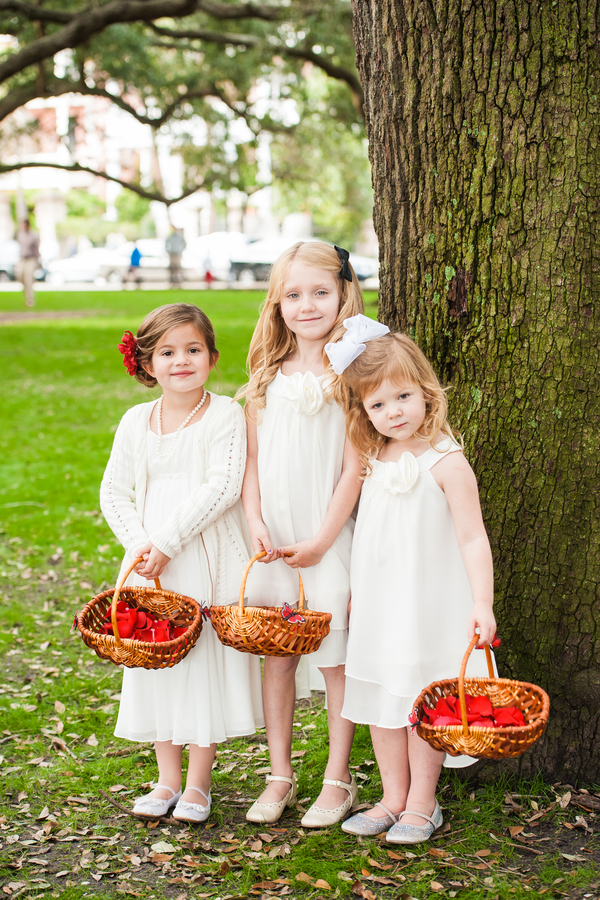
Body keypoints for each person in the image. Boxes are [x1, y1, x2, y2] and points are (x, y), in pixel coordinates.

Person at [326, 319, 496, 844]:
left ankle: (424, 800)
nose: (392, 412)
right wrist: (355, 593)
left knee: (424, 699)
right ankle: (391, 795)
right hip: (381, 605)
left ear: (425, 392)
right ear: (364, 412)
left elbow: (472, 537)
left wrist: (483, 605)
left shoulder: (446, 461)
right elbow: (368, 536)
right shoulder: (372, 458)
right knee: (382, 698)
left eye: (402, 397)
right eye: (378, 405)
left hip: (431, 604)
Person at [100, 303, 263, 824]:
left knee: (198, 661)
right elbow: (114, 491)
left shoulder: (224, 415)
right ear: (147, 363)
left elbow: (223, 485)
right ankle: (166, 777)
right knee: (156, 658)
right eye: (167, 352)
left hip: (201, 554)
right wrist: (142, 544)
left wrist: (168, 540)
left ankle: (197, 782)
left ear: (212, 357)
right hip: (150, 561)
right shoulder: (134, 421)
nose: (181, 361)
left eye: (193, 350)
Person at [238, 242, 364, 827]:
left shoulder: (355, 372)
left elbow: (354, 468)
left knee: (337, 656)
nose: (307, 305)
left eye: (319, 292)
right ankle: (279, 773)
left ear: (343, 293)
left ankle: (338, 779)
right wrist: (257, 523)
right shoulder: (266, 377)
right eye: (293, 295)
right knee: (278, 656)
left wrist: (322, 540)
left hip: (327, 535)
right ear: (277, 304)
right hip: (275, 539)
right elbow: (253, 465)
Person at [16, 219, 40, 307]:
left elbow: (37, 249)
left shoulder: (34, 235)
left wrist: (37, 262)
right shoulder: (20, 235)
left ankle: (30, 300)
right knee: (20, 277)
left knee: (28, 278)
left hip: (31, 259)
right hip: (22, 259)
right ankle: (26, 293)